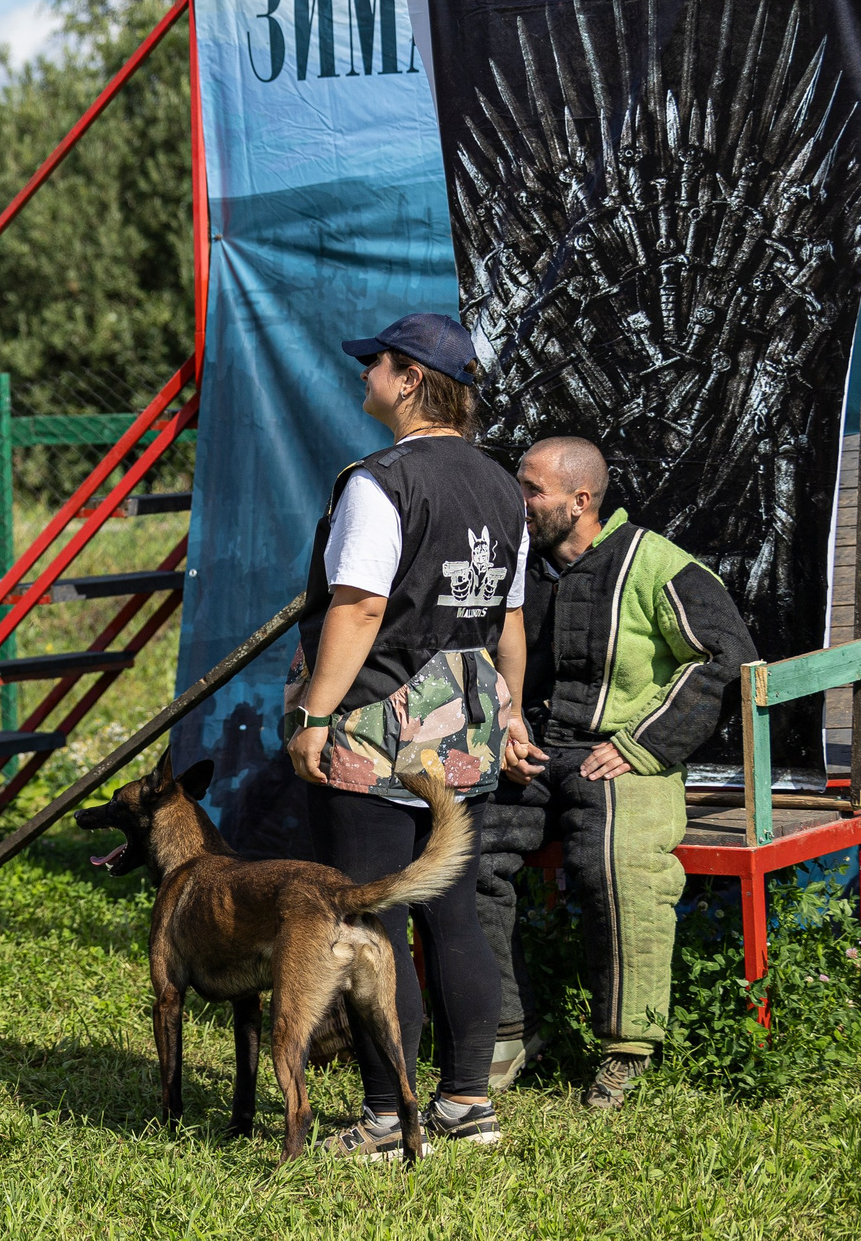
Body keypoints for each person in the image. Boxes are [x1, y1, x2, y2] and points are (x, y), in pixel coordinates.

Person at [283, 313, 538, 1156]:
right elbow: (509, 623)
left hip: (380, 722)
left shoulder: (380, 482)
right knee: (453, 916)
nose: (365, 378)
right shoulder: (504, 487)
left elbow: (358, 608)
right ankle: (468, 1105)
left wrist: (317, 716)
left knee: (374, 924)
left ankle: (389, 1120)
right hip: (463, 720)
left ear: (410, 381)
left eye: (377, 366)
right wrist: (511, 712)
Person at [474, 436, 752, 1110]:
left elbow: (727, 656)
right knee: (468, 857)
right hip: (534, 751)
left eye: (532, 490)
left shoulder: (656, 564)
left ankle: (628, 1047)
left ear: (580, 500)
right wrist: (504, 729)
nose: (520, 501)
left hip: (620, 753)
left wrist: (643, 742)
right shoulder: (520, 568)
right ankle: (510, 1029)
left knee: (620, 863)